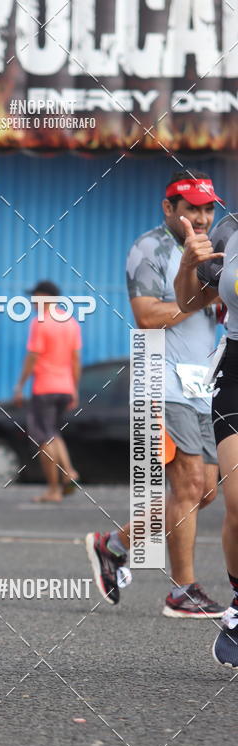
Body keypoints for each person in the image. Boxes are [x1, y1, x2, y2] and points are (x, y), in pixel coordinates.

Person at [86, 171, 225, 617]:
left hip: (205, 382)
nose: (201, 218)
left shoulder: (216, 249)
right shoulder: (151, 249)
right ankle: (182, 591)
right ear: (170, 209)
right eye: (191, 209)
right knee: (186, 485)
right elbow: (147, 316)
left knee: (204, 492)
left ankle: (113, 544)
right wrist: (205, 297)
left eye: (208, 208)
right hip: (162, 379)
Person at [174, 212, 238, 665]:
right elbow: (188, 300)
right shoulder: (229, 232)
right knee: (236, 501)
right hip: (236, 368)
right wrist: (185, 265)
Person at [13, 280, 81, 502]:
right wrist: (74, 388)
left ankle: (54, 490)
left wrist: (20, 385)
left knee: (44, 439)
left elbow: (32, 356)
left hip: (44, 388)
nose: (32, 302)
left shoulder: (40, 322)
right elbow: (75, 359)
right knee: (53, 433)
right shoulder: (71, 323)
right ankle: (69, 471)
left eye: (35, 297)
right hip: (64, 388)